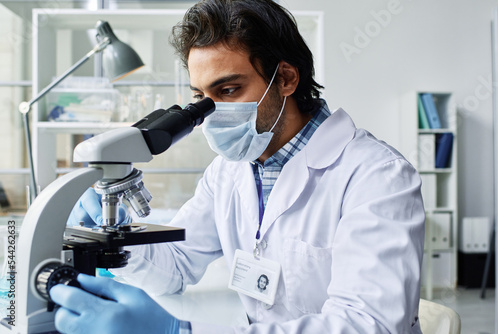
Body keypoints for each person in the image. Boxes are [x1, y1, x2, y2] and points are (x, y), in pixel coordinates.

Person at [50, 0, 425, 333]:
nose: (210, 114)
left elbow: (367, 324)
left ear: (286, 79)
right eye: (200, 97)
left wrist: (180, 331)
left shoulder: (377, 176)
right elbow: (178, 263)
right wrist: (117, 235)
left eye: (228, 91)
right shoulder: (227, 171)